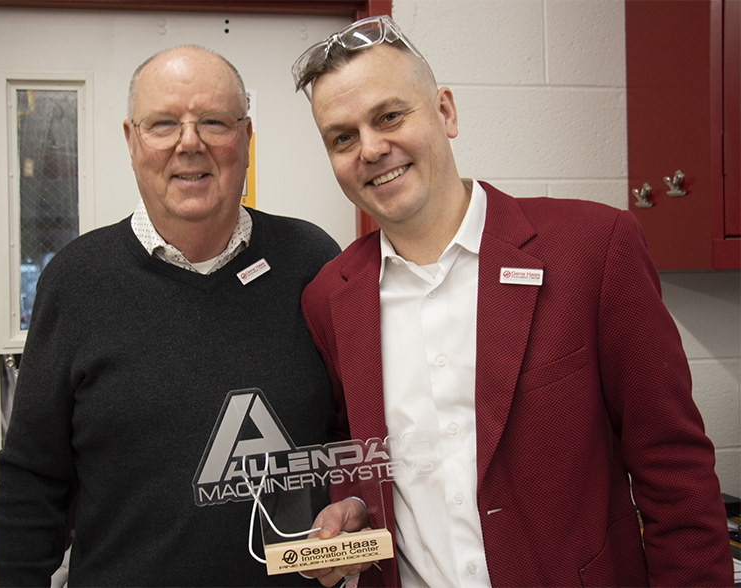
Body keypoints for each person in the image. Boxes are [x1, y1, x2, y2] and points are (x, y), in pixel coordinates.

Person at [293, 16, 733, 588]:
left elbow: (674, 471)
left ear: (445, 111)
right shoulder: (331, 297)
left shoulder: (593, 250)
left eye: (390, 116)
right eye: (342, 138)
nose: (372, 149)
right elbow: (360, 452)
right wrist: (349, 507)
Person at [0, 45, 340, 587]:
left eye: (214, 122)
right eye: (164, 124)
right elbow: (33, 478)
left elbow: (353, 437)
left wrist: (355, 508)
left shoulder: (311, 261)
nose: (189, 143)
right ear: (131, 141)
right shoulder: (76, 281)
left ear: (246, 138)